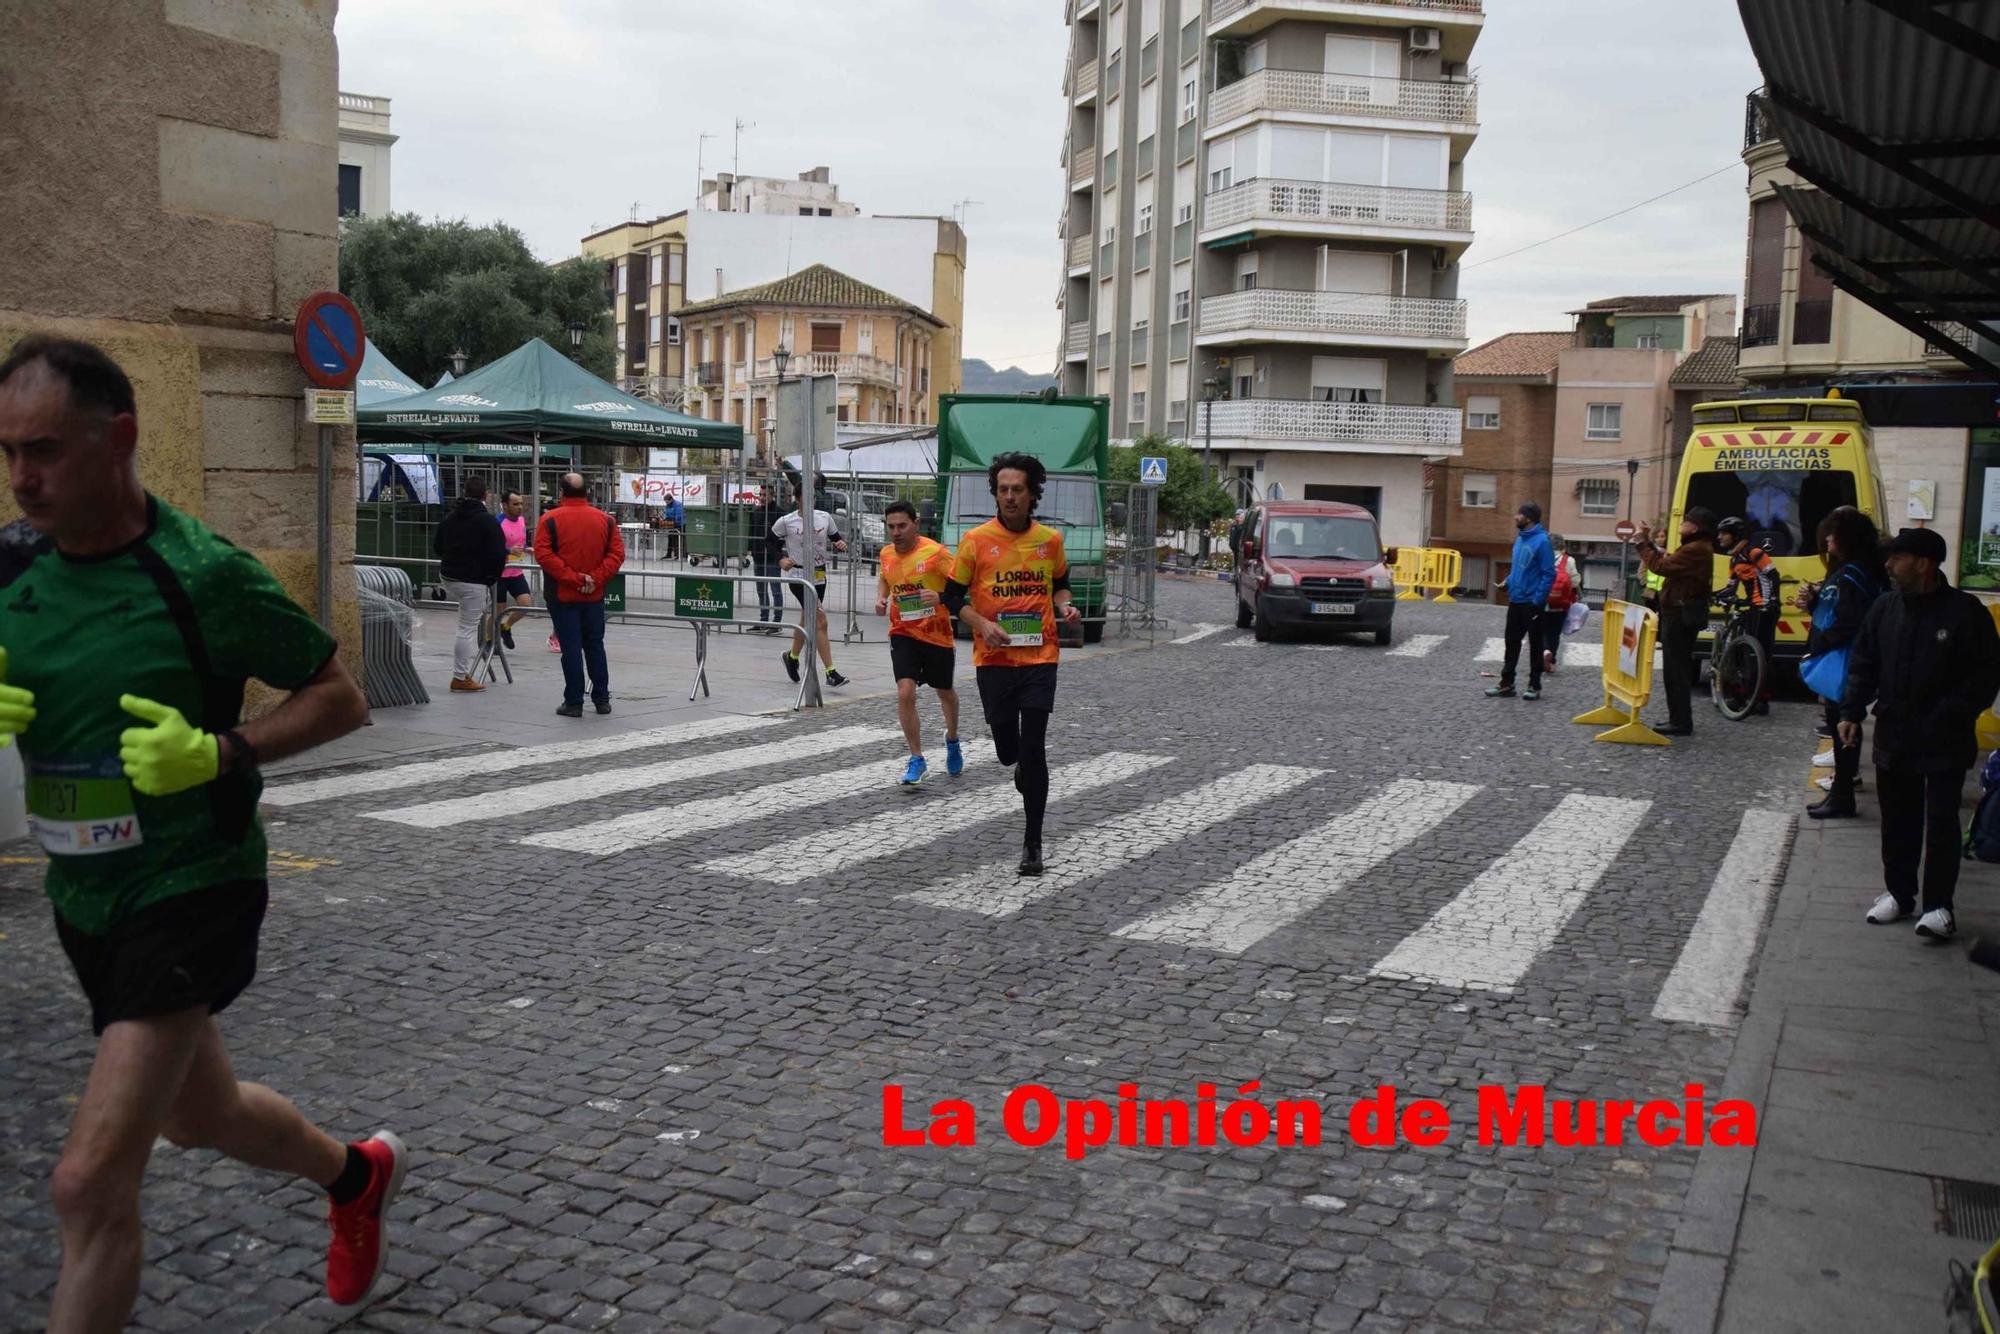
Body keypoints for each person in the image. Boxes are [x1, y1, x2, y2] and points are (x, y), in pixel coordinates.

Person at [0, 337, 398, 1326]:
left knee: (89, 1183)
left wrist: (218, 751)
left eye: (43, 449)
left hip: (192, 886)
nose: (22, 477)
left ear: (120, 438)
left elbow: (339, 697)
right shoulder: (10, 565)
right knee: (199, 1114)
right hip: (82, 892)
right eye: (7, 451)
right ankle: (353, 1176)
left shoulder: (202, 573)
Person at [1841, 527, 2000, 939]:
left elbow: (1985, 677)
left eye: (1897, 558)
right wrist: (1851, 711)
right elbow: (1863, 662)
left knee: (1942, 822)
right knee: (1897, 820)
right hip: (1895, 732)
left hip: (1944, 739)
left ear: (1924, 564)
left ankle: (1939, 906)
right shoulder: (1885, 608)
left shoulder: (1966, 613)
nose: (1889, 565)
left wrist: (1952, 712)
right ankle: (1899, 892)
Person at [943, 452, 1082, 877]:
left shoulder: (1050, 541)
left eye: (1017, 489)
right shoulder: (975, 541)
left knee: (1035, 748)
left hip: (1041, 656)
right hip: (994, 660)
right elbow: (952, 598)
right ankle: (1017, 761)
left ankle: (1033, 843)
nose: (1009, 497)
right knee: (1007, 749)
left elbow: (1060, 583)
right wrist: (981, 623)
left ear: (1032, 493)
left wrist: (1066, 605)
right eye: (1002, 489)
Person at [1795, 507, 1883, 819]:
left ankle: (1843, 794)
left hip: (1846, 659)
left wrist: (1822, 642)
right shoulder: (1854, 570)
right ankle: (1840, 791)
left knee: (1844, 724)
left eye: (1834, 532)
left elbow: (1848, 620)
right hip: (1845, 658)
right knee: (1840, 724)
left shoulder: (1853, 574)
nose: (1828, 539)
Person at [875, 499, 963, 785]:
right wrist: (881, 596)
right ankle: (917, 758)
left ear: (916, 523)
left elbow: (960, 585)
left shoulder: (936, 554)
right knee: (905, 691)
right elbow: (885, 578)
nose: (896, 532)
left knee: (944, 691)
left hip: (936, 633)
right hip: (902, 631)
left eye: (902, 525)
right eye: (891, 527)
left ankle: (952, 740)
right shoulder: (886, 554)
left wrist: (940, 597)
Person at [534, 471, 626, 718]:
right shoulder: (605, 520)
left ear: (561, 492)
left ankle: (574, 701)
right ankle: (602, 699)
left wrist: (573, 578)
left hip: (562, 595)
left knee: (571, 648)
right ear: (587, 492)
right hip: (593, 595)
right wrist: (594, 579)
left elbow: (543, 555)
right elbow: (616, 555)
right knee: (595, 645)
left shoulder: (549, 520)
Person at [1631, 507, 1719, 737]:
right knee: (1675, 668)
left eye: (1686, 521)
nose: (1682, 524)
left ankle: (1680, 721)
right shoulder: (1695, 547)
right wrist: (1649, 542)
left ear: (1696, 527)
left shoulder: (1695, 549)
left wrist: (1641, 543)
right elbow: (1665, 560)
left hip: (1680, 614)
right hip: (1678, 611)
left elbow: (1661, 567)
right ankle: (1677, 718)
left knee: (1676, 669)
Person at [433, 477, 506, 692]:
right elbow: (498, 553)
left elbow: (438, 546)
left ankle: (462, 674)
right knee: (466, 628)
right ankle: (460, 676)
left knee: (465, 622)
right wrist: (490, 578)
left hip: (449, 576)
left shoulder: (450, 518)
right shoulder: (487, 521)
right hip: (473, 581)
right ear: (485, 495)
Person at [772, 491, 850, 689]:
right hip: (799, 576)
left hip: (819, 575)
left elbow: (836, 538)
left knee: (807, 618)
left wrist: (841, 544)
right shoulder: (786, 521)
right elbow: (767, 541)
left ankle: (791, 657)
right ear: (797, 498)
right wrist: (780, 559)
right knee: (820, 621)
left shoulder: (824, 517)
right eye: (806, 497)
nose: (810, 501)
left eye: (813, 497)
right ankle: (831, 672)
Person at [1485, 501, 1554, 701]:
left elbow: (1548, 574)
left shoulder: (1542, 541)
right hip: (1515, 600)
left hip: (1532, 603)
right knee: (1511, 643)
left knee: (1535, 646)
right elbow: (1519, 569)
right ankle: (1507, 684)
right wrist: (1507, 582)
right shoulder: (1520, 539)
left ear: (1529, 518)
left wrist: (1537, 600)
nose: (1516, 517)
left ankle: (1534, 685)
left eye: (1519, 514)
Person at [1714, 515, 1780, 714]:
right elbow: (1731, 588)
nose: (1719, 538)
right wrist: (1713, 595)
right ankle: (1742, 695)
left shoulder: (1755, 552)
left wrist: (1773, 601)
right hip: (1753, 607)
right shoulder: (1734, 559)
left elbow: (1773, 576)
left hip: (1766, 608)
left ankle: (1762, 699)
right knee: (1744, 654)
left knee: (1761, 654)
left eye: (1723, 534)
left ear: (1734, 535)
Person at [492, 490, 551, 654]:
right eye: (515, 504)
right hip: (500, 573)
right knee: (497, 610)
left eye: (521, 503)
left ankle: (506, 627)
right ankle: (489, 640)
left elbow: (520, 544)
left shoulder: (521, 520)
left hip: (515, 572)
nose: (520, 507)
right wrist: (509, 550)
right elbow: (493, 548)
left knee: (526, 605)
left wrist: (527, 549)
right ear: (505, 505)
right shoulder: (498, 523)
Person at [1542, 532, 1582, 674]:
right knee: (1555, 632)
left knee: (1541, 631)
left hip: (1542, 602)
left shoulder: (1542, 557)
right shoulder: (1569, 560)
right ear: (1562, 546)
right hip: (1561, 604)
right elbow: (1575, 582)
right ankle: (1552, 661)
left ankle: (1544, 651)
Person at [751, 484, 786, 634]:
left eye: (765, 495)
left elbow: (783, 536)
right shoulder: (756, 512)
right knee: (761, 590)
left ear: (772, 496)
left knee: (775, 590)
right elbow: (752, 532)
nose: (762, 498)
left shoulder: (780, 513)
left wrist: (778, 554)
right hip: (758, 556)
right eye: (761, 494)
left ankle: (776, 622)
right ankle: (763, 619)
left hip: (772, 558)